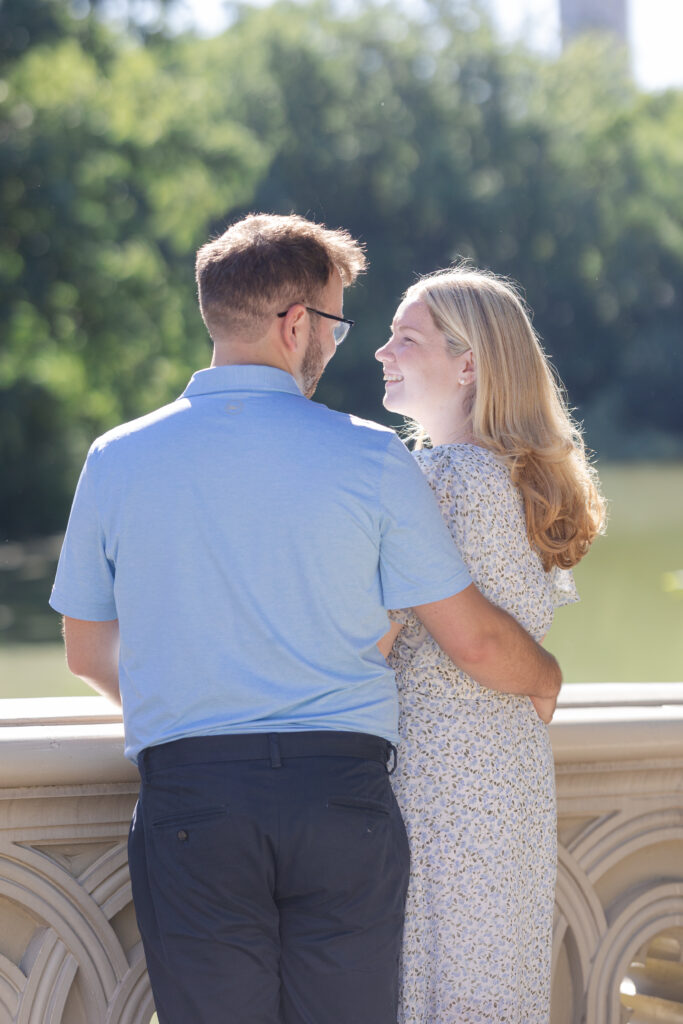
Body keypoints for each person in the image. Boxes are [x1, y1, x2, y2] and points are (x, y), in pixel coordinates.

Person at [49, 215, 561, 1024]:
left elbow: (86, 650)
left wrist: (196, 706)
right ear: (295, 326)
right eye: (333, 322)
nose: (337, 343)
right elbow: (472, 638)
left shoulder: (116, 457)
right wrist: (547, 674)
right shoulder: (370, 454)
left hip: (192, 799)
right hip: (341, 799)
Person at [375, 264, 606, 1024]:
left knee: (433, 986)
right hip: (507, 767)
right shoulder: (526, 477)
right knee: (491, 986)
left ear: (468, 363)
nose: (381, 352)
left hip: (438, 776)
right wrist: (543, 677)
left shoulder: (438, 478)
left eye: (404, 339)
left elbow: (380, 634)